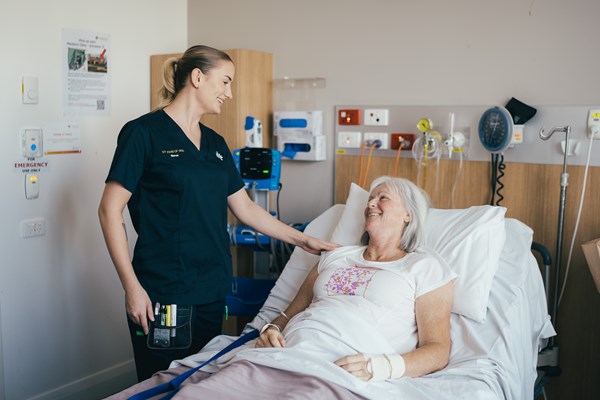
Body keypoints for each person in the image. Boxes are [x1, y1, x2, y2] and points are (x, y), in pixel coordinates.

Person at [98, 44, 336, 382]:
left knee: (202, 384)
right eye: (224, 82)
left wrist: (302, 239)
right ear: (197, 77)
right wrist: (132, 287)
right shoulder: (143, 134)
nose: (229, 93)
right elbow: (109, 211)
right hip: (164, 292)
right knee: (162, 384)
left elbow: (246, 208)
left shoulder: (215, 143)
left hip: (211, 291)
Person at [107, 176, 457, 399]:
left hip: (337, 371)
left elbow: (438, 349)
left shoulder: (423, 266)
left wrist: (381, 368)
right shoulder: (336, 257)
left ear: (408, 215)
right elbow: (291, 311)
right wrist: (272, 328)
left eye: (383, 199)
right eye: (370, 197)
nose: (370, 203)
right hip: (281, 355)